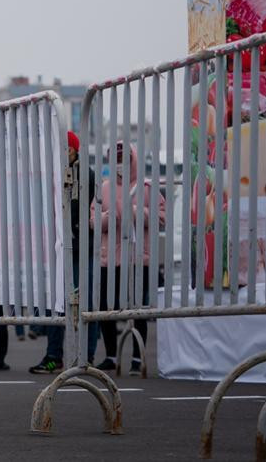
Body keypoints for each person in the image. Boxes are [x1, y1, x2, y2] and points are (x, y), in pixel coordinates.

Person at [92, 141, 165, 374]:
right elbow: (92, 220)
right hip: (109, 258)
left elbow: (161, 217)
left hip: (136, 258)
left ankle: (136, 357)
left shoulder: (147, 187)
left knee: (138, 309)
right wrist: (108, 218)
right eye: (116, 159)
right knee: (105, 307)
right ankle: (111, 355)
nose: (120, 164)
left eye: (125, 158)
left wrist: (135, 213)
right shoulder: (104, 188)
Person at [31, 131, 97, 374]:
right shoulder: (51, 175)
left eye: (66, 149)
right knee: (56, 303)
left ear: (74, 150)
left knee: (85, 303)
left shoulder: (85, 175)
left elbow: (81, 210)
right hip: (59, 247)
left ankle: (87, 356)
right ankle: (53, 356)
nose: (63, 154)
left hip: (80, 246)